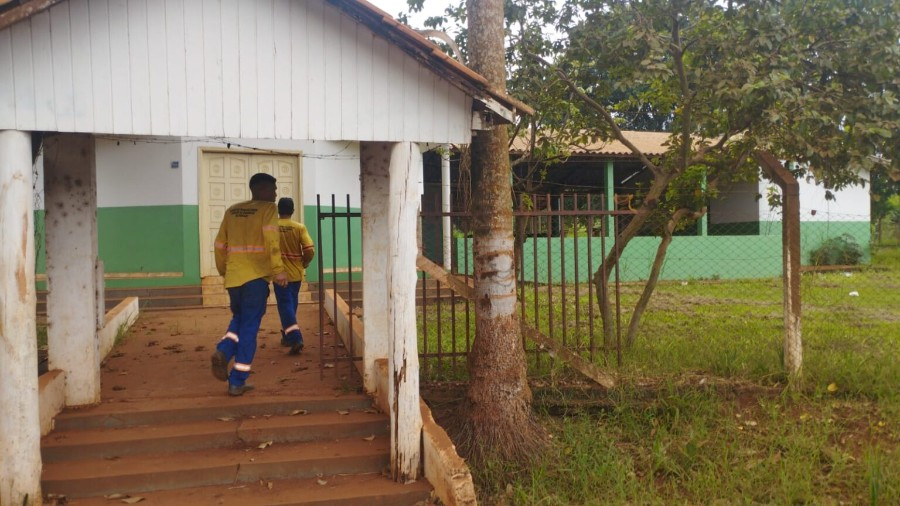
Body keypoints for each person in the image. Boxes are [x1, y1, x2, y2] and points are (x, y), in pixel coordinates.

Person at [210, 172, 288, 396]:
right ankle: (237, 380)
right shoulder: (268, 209)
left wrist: (225, 270)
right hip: (255, 278)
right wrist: (278, 271)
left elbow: (219, 245)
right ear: (261, 189)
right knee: (250, 328)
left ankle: (224, 350)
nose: (275, 193)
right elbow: (272, 241)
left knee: (240, 319)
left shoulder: (232, 210)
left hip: (234, 277)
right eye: (272, 188)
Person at [274, 197, 316, 355]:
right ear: (292, 211)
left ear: (278, 210)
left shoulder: (271, 228)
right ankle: (287, 335)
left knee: (285, 306)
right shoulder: (299, 227)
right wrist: (304, 263)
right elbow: (310, 249)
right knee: (291, 305)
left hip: (279, 274)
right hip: (296, 273)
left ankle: (295, 337)